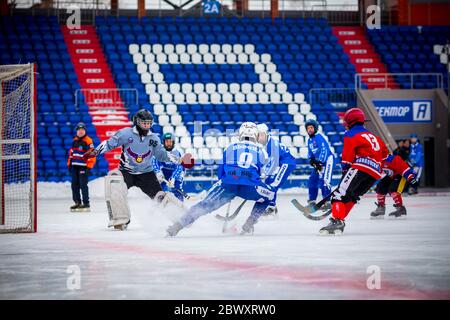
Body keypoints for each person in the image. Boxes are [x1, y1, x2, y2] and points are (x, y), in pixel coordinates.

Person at [83, 109, 191, 228]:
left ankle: (183, 218)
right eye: (144, 123)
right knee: (114, 182)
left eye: (149, 123)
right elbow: (109, 144)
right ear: (137, 122)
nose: (146, 126)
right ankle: (121, 220)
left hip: (146, 174)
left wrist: (179, 160)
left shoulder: (154, 139)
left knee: (160, 196)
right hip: (126, 172)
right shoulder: (125, 134)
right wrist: (95, 152)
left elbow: (162, 155)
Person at [166, 122, 276, 237]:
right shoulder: (262, 150)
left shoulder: (230, 147)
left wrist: (226, 188)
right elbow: (262, 174)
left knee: (203, 206)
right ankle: (250, 222)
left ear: (240, 134)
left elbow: (220, 172)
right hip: (250, 186)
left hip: (228, 183)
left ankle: (176, 227)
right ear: (256, 135)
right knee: (270, 195)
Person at [320, 108, 387, 235]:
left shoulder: (351, 134)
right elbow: (384, 154)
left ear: (351, 121)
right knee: (352, 196)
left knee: (338, 195)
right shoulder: (374, 136)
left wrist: (345, 171)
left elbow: (347, 156)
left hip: (360, 167)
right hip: (374, 173)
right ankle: (337, 219)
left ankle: (337, 222)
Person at [256, 123, 296, 216]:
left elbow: (272, 163)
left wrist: (264, 175)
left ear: (266, 134)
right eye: (257, 135)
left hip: (287, 163)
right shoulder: (265, 143)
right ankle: (271, 205)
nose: (259, 137)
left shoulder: (272, 144)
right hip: (281, 163)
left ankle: (271, 208)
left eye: (261, 135)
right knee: (269, 183)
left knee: (273, 185)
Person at [370, 152, 418, 219]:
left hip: (402, 175)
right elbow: (376, 174)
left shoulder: (393, 159)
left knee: (393, 189)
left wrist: (411, 178)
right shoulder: (378, 161)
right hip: (393, 175)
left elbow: (405, 168)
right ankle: (381, 208)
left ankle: (401, 208)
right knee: (380, 186)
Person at [305, 119, 335, 211]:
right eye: (308, 128)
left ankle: (327, 202)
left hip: (327, 161)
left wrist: (320, 161)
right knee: (312, 180)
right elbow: (310, 153)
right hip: (318, 163)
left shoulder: (319, 137)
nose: (309, 129)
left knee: (325, 180)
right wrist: (311, 160)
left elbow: (324, 150)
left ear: (315, 128)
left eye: (311, 127)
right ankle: (312, 201)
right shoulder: (309, 140)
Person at [67, 122, 96, 212]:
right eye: (79, 130)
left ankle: (86, 203)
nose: (80, 132)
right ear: (76, 131)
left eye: (82, 130)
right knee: (74, 185)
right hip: (75, 166)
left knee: (83, 185)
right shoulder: (74, 140)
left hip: (83, 167)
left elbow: (92, 154)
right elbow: (71, 154)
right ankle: (77, 202)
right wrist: (69, 164)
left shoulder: (88, 141)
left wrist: (89, 167)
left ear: (85, 131)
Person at [152, 132, 185, 202]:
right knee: (161, 188)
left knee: (177, 187)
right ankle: (160, 204)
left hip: (176, 172)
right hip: (164, 172)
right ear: (163, 142)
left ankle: (180, 203)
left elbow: (179, 167)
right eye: (167, 142)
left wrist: (173, 178)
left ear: (173, 142)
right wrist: (158, 172)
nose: (169, 144)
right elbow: (154, 162)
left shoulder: (177, 153)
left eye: (170, 142)